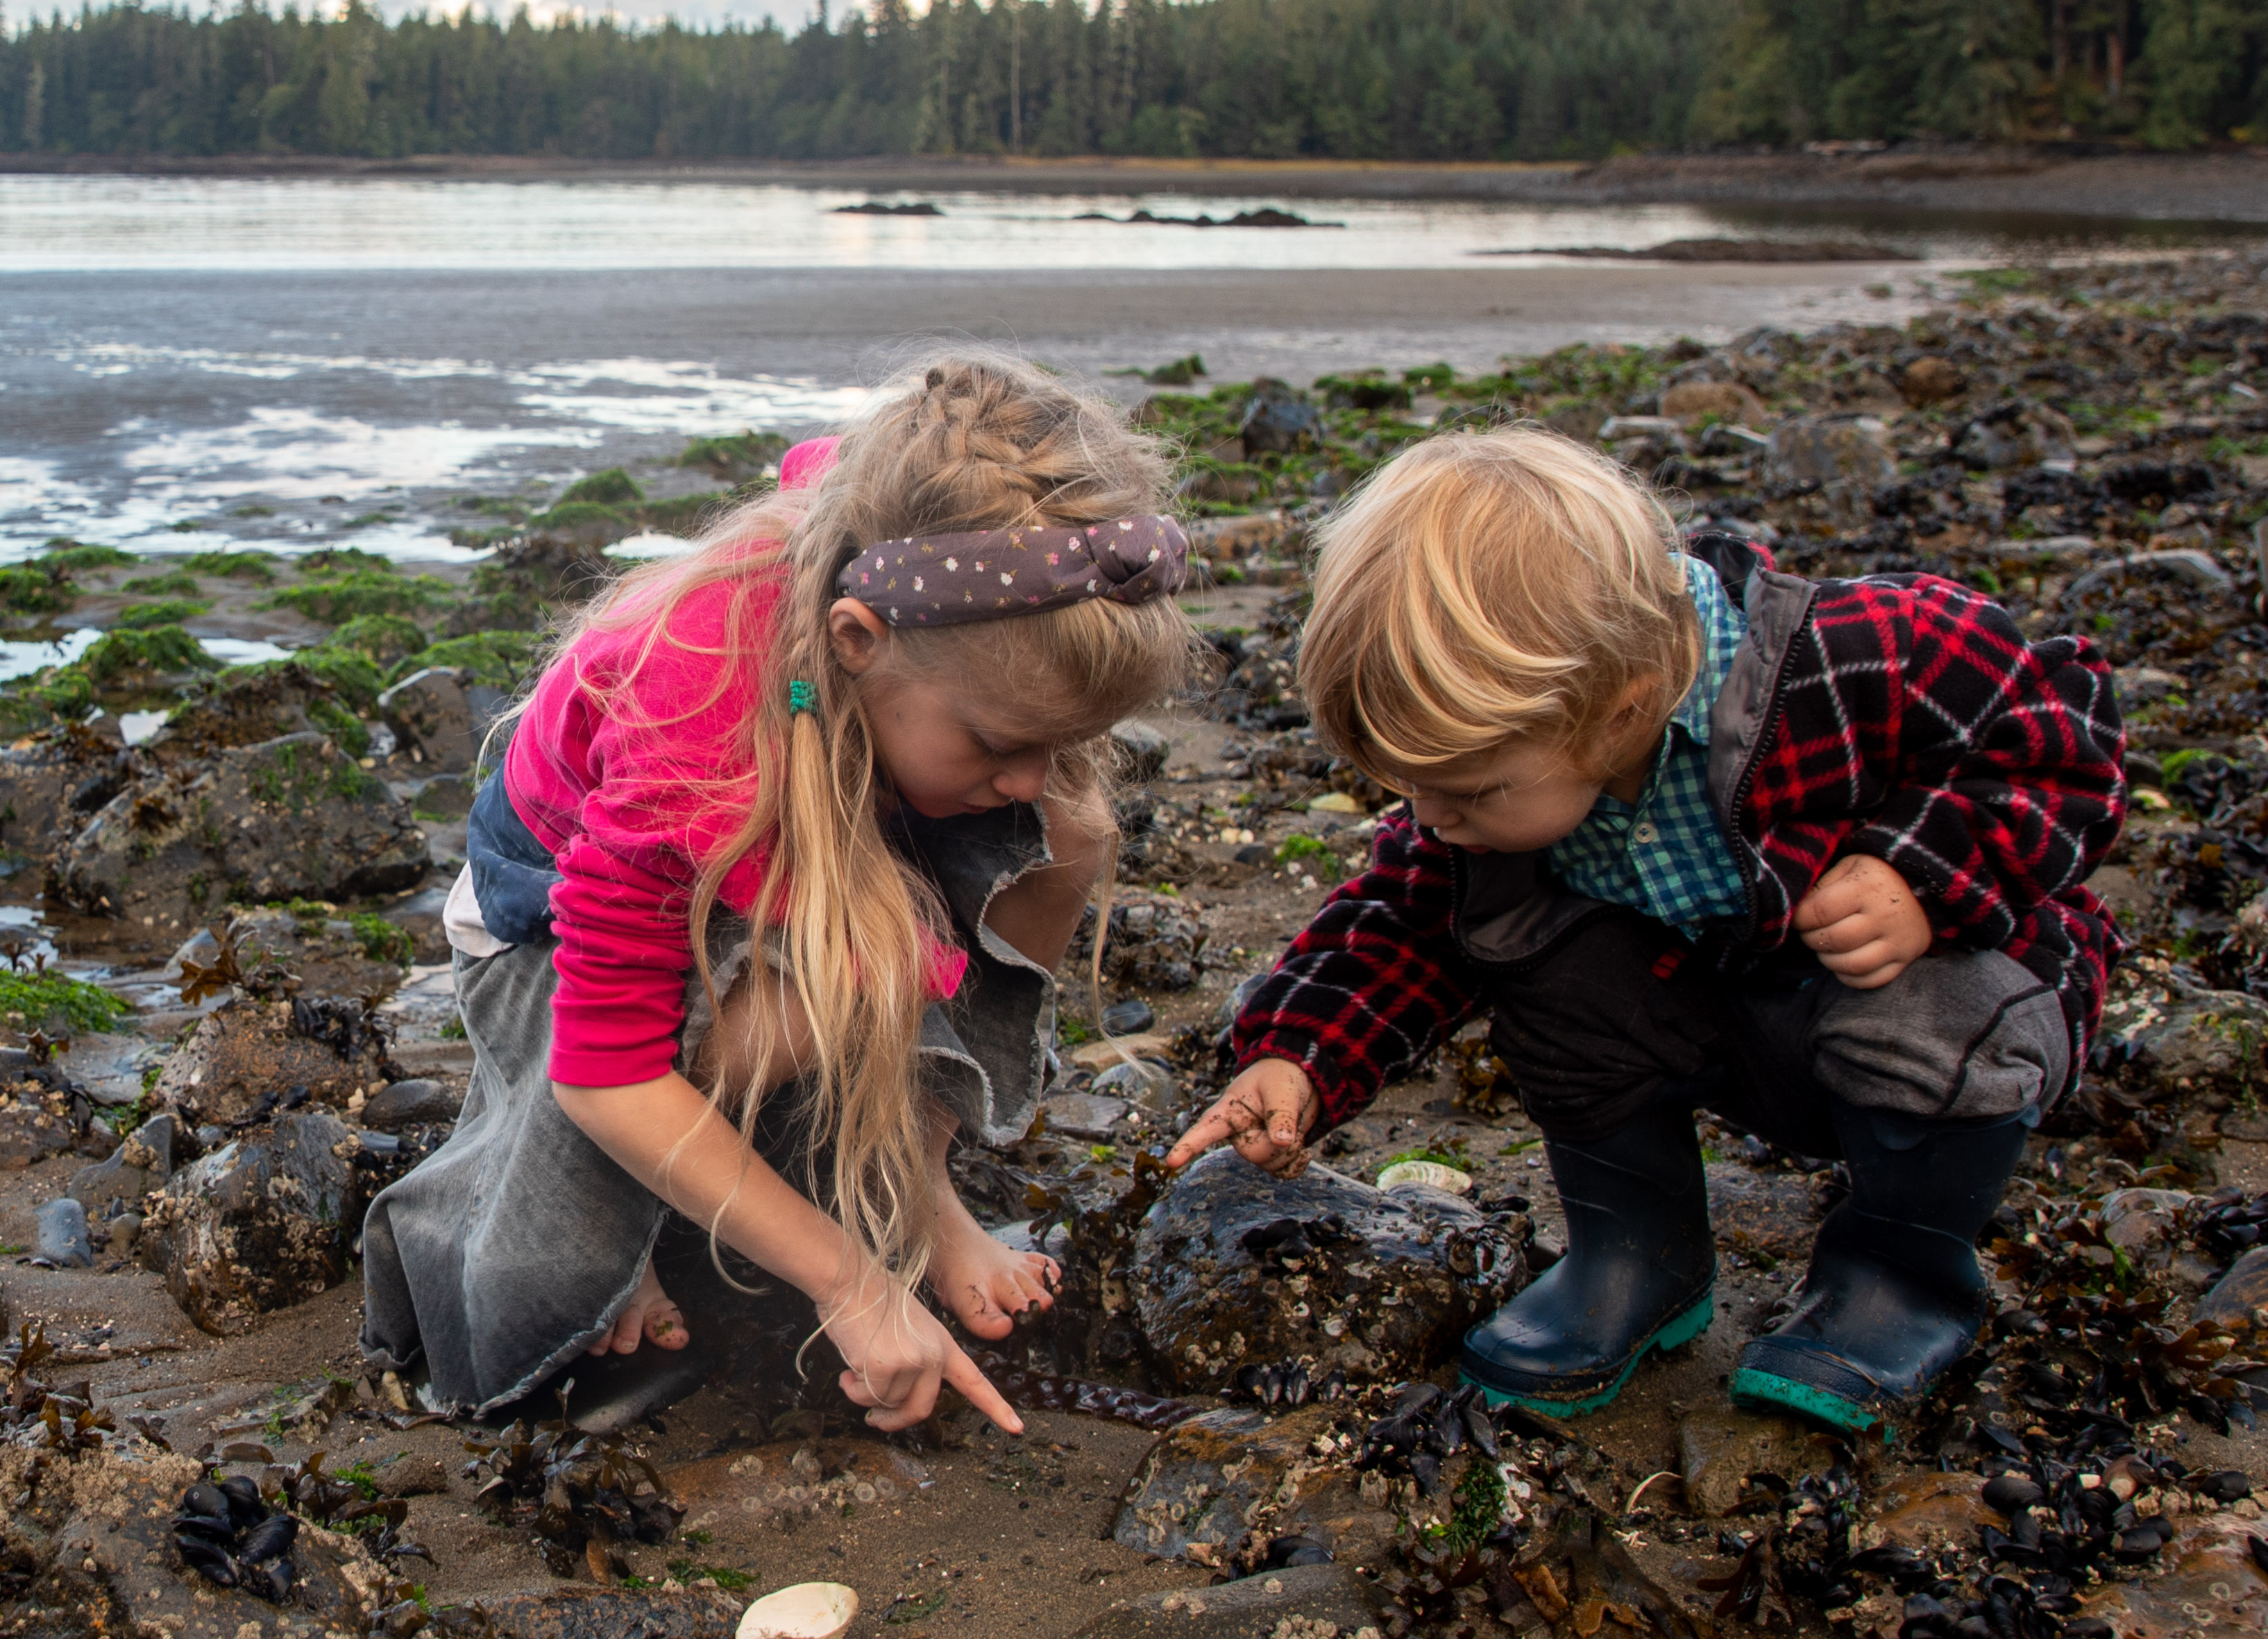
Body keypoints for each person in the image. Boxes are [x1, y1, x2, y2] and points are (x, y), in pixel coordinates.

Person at [1164, 427, 2122, 1430]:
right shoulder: (1498, 778)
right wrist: (1298, 1056)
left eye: (1467, 791)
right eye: (1407, 787)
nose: (1430, 817)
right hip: (1722, 1017)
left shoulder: (1864, 652)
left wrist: (1921, 875)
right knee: (1539, 964)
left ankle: (1895, 1285)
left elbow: (2069, 739)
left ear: (1619, 713)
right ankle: (1635, 1257)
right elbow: (1402, 925)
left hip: (1921, 1015)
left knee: (1938, 1010)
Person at [362, 354, 1210, 1438]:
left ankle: (921, 1187)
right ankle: (639, 1215)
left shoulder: (893, 542)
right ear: (856, 641)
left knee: (1072, 829)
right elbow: (609, 1074)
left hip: (805, 800)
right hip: (545, 922)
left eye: (1059, 740)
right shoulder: (690, 720)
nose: (1026, 779)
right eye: (1002, 743)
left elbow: (837, 468)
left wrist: (1011, 767)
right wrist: (852, 1285)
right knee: (824, 995)